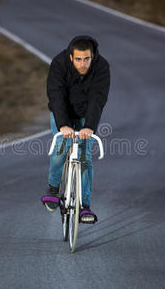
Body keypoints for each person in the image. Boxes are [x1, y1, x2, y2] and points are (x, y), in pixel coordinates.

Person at [41, 35, 110, 223]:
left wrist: (89, 127)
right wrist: (63, 124)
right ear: (71, 57)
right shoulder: (59, 63)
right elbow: (56, 95)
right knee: (60, 149)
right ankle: (54, 188)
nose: (83, 64)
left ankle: (84, 207)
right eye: (78, 59)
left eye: (87, 59)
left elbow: (98, 99)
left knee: (84, 156)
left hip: (86, 114)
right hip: (62, 112)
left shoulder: (101, 67)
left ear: (92, 56)